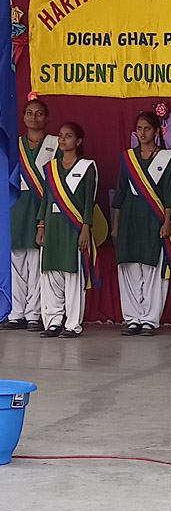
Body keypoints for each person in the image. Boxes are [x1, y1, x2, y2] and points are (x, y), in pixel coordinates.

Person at [111, 111, 171, 336]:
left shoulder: (166, 158)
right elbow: (120, 193)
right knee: (129, 268)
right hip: (130, 218)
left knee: (151, 269)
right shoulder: (128, 158)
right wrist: (116, 223)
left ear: (157, 131)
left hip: (153, 219)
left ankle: (149, 318)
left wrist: (167, 222)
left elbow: (170, 194)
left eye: (147, 129)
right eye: (139, 129)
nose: (142, 133)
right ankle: (132, 318)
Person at [2, 98, 59, 331]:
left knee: (36, 264)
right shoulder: (13, 145)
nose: (33, 118)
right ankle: (16, 313)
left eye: (38, 114)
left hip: (41, 211)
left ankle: (34, 314)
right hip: (15, 208)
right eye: (29, 113)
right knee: (14, 262)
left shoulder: (56, 144)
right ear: (23, 117)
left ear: (46, 118)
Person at [35, 122, 97, 338]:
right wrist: (41, 225)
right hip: (52, 226)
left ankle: (72, 324)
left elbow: (89, 202)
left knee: (72, 276)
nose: (62, 139)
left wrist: (86, 229)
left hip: (74, 228)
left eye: (68, 136)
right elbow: (46, 198)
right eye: (60, 135)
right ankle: (52, 321)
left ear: (78, 141)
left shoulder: (87, 167)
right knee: (50, 274)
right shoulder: (51, 167)